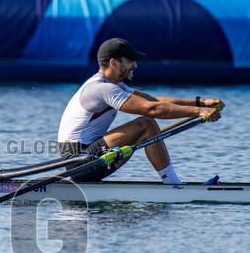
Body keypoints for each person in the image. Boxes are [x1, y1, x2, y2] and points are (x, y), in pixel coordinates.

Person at [56, 38, 223, 184]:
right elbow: (152, 109)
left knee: (147, 125)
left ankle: (172, 184)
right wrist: (199, 112)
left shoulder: (113, 85)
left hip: (86, 157)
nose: (135, 65)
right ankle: (173, 185)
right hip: (79, 160)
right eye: (130, 61)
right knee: (146, 125)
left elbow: (154, 101)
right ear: (114, 63)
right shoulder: (102, 88)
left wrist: (200, 102)